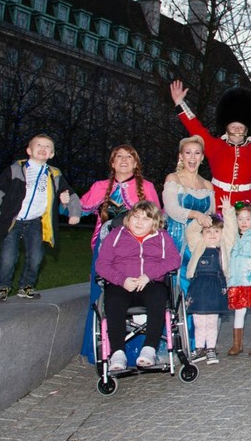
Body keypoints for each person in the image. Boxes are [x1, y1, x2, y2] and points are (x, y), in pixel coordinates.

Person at [79, 144, 161, 363]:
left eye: (129, 157)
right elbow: (79, 209)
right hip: (105, 248)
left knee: (137, 290)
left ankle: (137, 349)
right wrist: (65, 201)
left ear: (136, 164)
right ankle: (105, 348)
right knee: (102, 294)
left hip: (137, 249)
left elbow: (157, 221)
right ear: (112, 162)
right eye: (119, 157)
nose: (124, 161)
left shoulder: (147, 187)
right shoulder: (99, 186)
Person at [0, 134, 81, 302]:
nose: (43, 148)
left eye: (48, 147)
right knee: (9, 257)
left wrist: (74, 213)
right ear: (29, 150)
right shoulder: (16, 169)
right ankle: (2, 286)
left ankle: (26, 286)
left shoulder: (54, 174)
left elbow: (70, 195)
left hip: (36, 222)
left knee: (36, 257)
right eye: (39, 145)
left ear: (52, 154)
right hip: (13, 221)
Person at [95, 201, 181, 372]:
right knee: (113, 300)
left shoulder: (162, 237)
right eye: (136, 217)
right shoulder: (116, 235)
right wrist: (122, 280)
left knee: (159, 295)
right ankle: (118, 353)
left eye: (146, 219)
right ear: (128, 218)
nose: (139, 222)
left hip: (150, 283)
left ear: (154, 223)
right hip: (122, 285)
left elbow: (174, 260)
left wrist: (149, 276)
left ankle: (149, 349)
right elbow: (102, 264)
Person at [170, 80, 251, 205]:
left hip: (245, 206)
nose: (236, 130)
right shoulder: (215, 146)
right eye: (233, 126)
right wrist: (180, 103)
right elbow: (195, 127)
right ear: (226, 128)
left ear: (247, 129)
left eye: (240, 127)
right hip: (217, 202)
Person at [185, 197, 237, 365]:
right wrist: (201, 218)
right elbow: (190, 232)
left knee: (212, 322)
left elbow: (231, 231)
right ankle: (199, 348)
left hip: (216, 286)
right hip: (198, 286)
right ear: (202, 234)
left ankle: (211, 349)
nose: (212, 235)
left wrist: (228, 212)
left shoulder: (224, 245)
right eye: (208, 231)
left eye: (216, 231)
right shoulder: (197, 245)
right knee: (199, 321)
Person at [162, 135, 215, 253]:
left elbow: (211, 216)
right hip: (175, 239)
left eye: (197, 153)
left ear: (201, 158)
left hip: (198, 241)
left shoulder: (208, 185)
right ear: (181, 156)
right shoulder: (173, 178)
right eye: (188, 152)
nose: (192, 157)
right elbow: (172, 209)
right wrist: (196, 214)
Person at [226, 201, 251, 356]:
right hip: (237, 282)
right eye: (240, 218)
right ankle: (237, 344)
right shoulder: (233, 236)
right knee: (239, 312)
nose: (243, 222)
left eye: (247, 219)